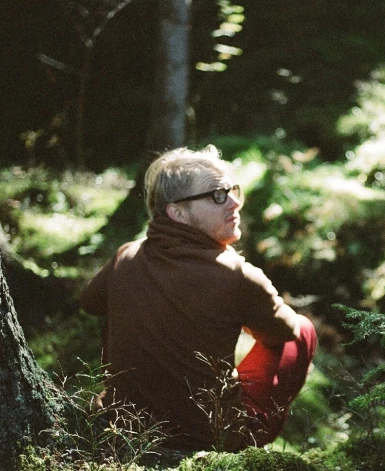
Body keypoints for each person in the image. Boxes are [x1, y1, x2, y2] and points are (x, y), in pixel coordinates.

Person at [80, 146, 316, 451]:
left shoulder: (126, 256)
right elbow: (286, 332)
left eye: (233, 190)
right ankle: (248, 438)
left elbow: (90, 302)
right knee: (303, 329)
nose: (234, 203)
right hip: (213, 439)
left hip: (124, 425)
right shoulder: (236, 275)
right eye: (217, 195)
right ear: (177, 212)